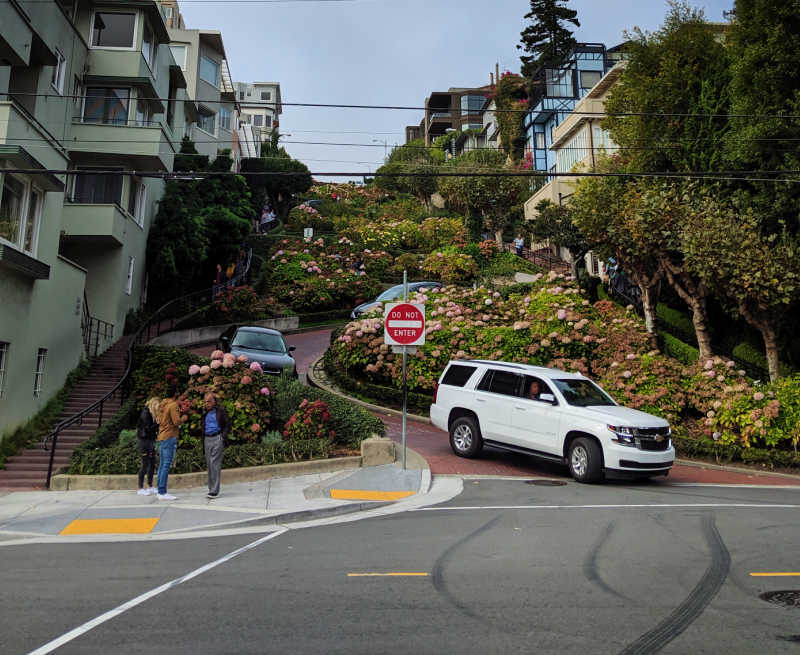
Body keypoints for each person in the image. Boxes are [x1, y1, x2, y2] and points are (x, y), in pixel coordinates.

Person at [155, 385, 187, 500]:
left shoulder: (162, 404)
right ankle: (162, 492)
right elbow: (177, 421)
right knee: (166, 465)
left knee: (162, 464)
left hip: (162, 436)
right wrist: (184, 418)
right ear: (175, 394)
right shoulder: (173, 405)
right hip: (169, 436)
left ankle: (160, 490)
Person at [202, 392, 230, 499]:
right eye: (205, 401)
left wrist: (222, 437)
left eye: (209, 401)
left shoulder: (221, 411)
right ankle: (211, 488)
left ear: (214, 401)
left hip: (217, 438)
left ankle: (214, 490)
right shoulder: (204, 413)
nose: (207, 403)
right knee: (209, 464)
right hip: (207, 439)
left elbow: (227, 424)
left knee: (215, 464)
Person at [136, 397, 160, 496]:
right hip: (144, 441)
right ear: (153, 405)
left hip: (150, 441)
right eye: (158, 406)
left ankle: (149, 486)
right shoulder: (146, 413)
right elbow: (147, 429)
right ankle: (140, 487)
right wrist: (157, 424)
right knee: (145, 464)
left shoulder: (151, 414)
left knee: (152, 463)